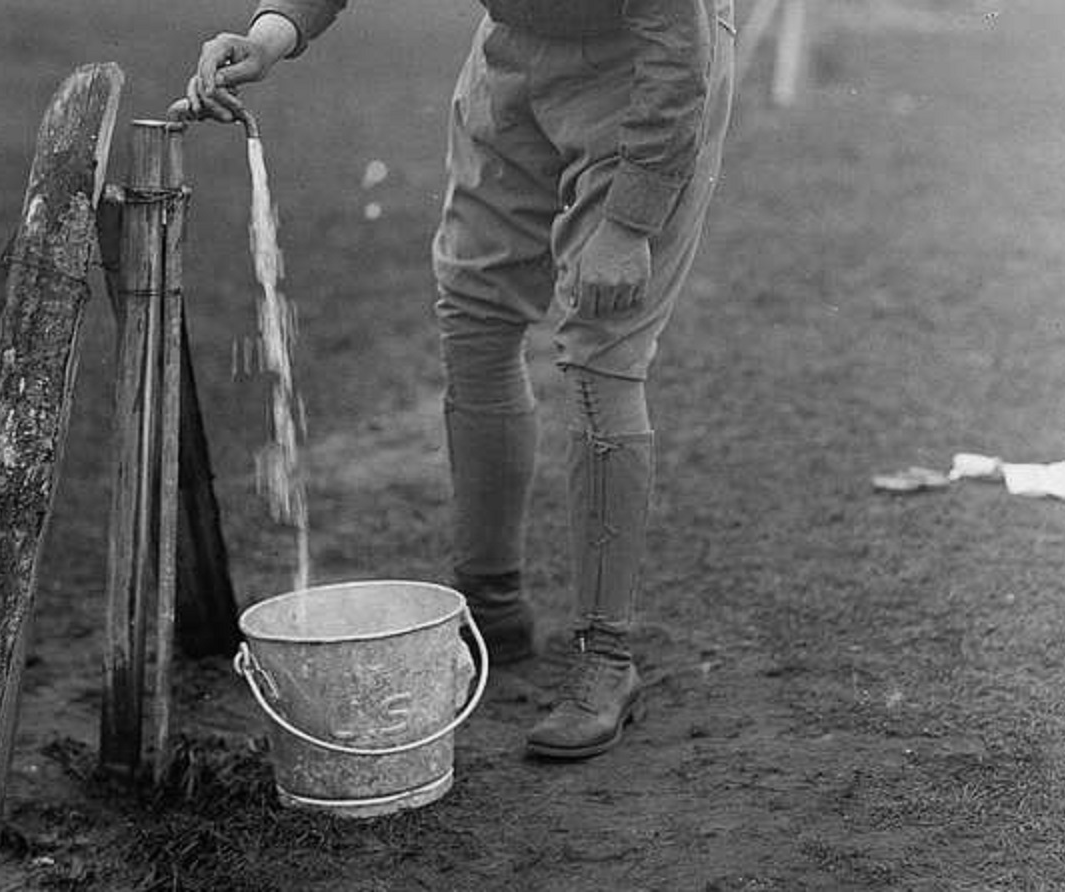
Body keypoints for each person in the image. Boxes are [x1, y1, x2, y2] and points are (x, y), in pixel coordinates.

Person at [186, 0, 734, 760]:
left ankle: (605, 657)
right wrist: (270, 36)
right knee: (474, 314)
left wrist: (631, 223)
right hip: (514, 51)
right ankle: (490, 608)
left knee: (601, 349)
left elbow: (677, 54)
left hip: (651, 65)